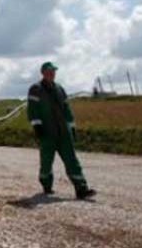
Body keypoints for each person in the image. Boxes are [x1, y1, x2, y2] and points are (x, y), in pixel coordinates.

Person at [27, 62, 96, 199]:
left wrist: (72, 126)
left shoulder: (60, 89)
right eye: (49, 71)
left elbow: (67, 109)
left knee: (72, 160)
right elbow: (32, 109)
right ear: (43, 73)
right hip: (47, 132)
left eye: (53, 71)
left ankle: (81, 188)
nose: (52, 73)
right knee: (46, 161)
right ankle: (46, 185)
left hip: (64, 132)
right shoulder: (35, 89)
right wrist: (36, 125)